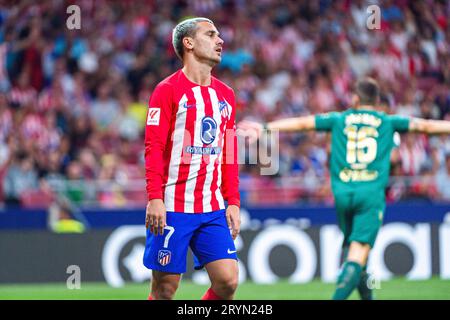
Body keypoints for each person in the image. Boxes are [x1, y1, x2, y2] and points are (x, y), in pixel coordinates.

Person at [238, 77, 450, 300]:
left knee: (357, 255)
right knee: (357, 254)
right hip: (370, 194)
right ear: (377, 101)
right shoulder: (387, 121)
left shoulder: (339, 119)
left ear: (355, 98)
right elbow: (426, 126)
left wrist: (265, 127)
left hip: (342, 194)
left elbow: (303, 123)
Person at [143, 17, 240, 300]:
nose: (220, 40)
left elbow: (229, 151)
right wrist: (155, 198)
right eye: (211, 35)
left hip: (211, 207)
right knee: (164, 289)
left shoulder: (226, 95)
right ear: (188, 43)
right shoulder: (167, 90)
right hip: (173, 205)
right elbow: (154, 146)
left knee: (228, 282)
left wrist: (232, 201)